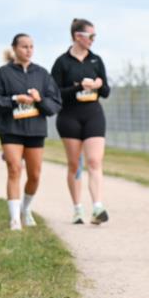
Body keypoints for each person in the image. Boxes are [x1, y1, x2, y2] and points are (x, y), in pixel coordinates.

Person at [0, 33, 62, 230]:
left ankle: (25, 208)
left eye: (31, 47)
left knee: (35, 175)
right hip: (11, 129)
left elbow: (54, 105)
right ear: (14, 49)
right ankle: (14, 220)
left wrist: (39, 99)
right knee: (14, 169)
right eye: (24, 47)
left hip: (35, 130)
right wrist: (14, 99)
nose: (28, 50)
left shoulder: (43, 74)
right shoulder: (3, 73)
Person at [51, 18, 111, 225]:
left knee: (95, 161)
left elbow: (106, 92)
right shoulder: (62, 63)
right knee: (75, 164)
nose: (93, 40)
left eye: (95, 36)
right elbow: (55, 93)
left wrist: (97, 85)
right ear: (78, 36)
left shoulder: (96, 60)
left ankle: (97, 207)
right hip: (69, 117)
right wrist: (79, 87)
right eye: (90, 36)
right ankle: (77, 208)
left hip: (93, 114)